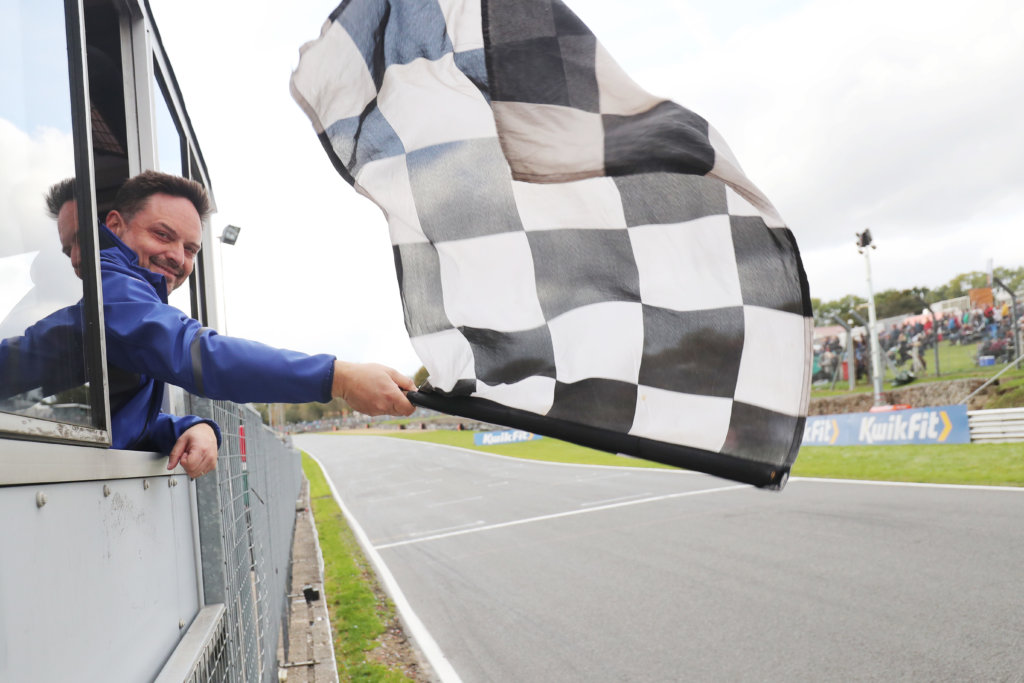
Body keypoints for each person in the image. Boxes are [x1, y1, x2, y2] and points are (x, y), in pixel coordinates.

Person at [5, 172, 414, 478]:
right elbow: (197, 354)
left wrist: (190, 425)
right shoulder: (112, 290)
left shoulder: (126, 301)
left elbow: (121, 422)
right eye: (162, 235)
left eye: (189, 248)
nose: (178, 258)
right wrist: (338, 379)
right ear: (113, 228)